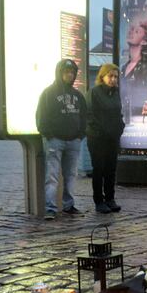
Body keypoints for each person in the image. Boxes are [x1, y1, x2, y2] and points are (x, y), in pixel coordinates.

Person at [36, 59, 87, 220]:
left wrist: (80, 135)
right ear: (60, 73)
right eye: (66, 72)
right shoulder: (48, 93)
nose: (70, 75)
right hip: (54, 140)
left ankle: (69, 206)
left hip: (74, 141)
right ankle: (50, 208)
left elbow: (84, 116)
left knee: (71, 175)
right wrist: (48, 134)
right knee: (52, 176)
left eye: (72, 72)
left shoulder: (78, 95)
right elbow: (41, 116)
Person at [86, 63, 125, 214]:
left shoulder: (115, 93)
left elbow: (118, 113)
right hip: (97, 138)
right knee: (99, 169)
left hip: (112, 138)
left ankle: (110, 198)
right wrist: (99, 132)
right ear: (102, 77)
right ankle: (99, 201)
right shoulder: (94, 92)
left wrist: (120, 127)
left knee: (111, 169)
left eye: (116, 77)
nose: (113, 79)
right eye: (111, 76)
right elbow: (90, 115)